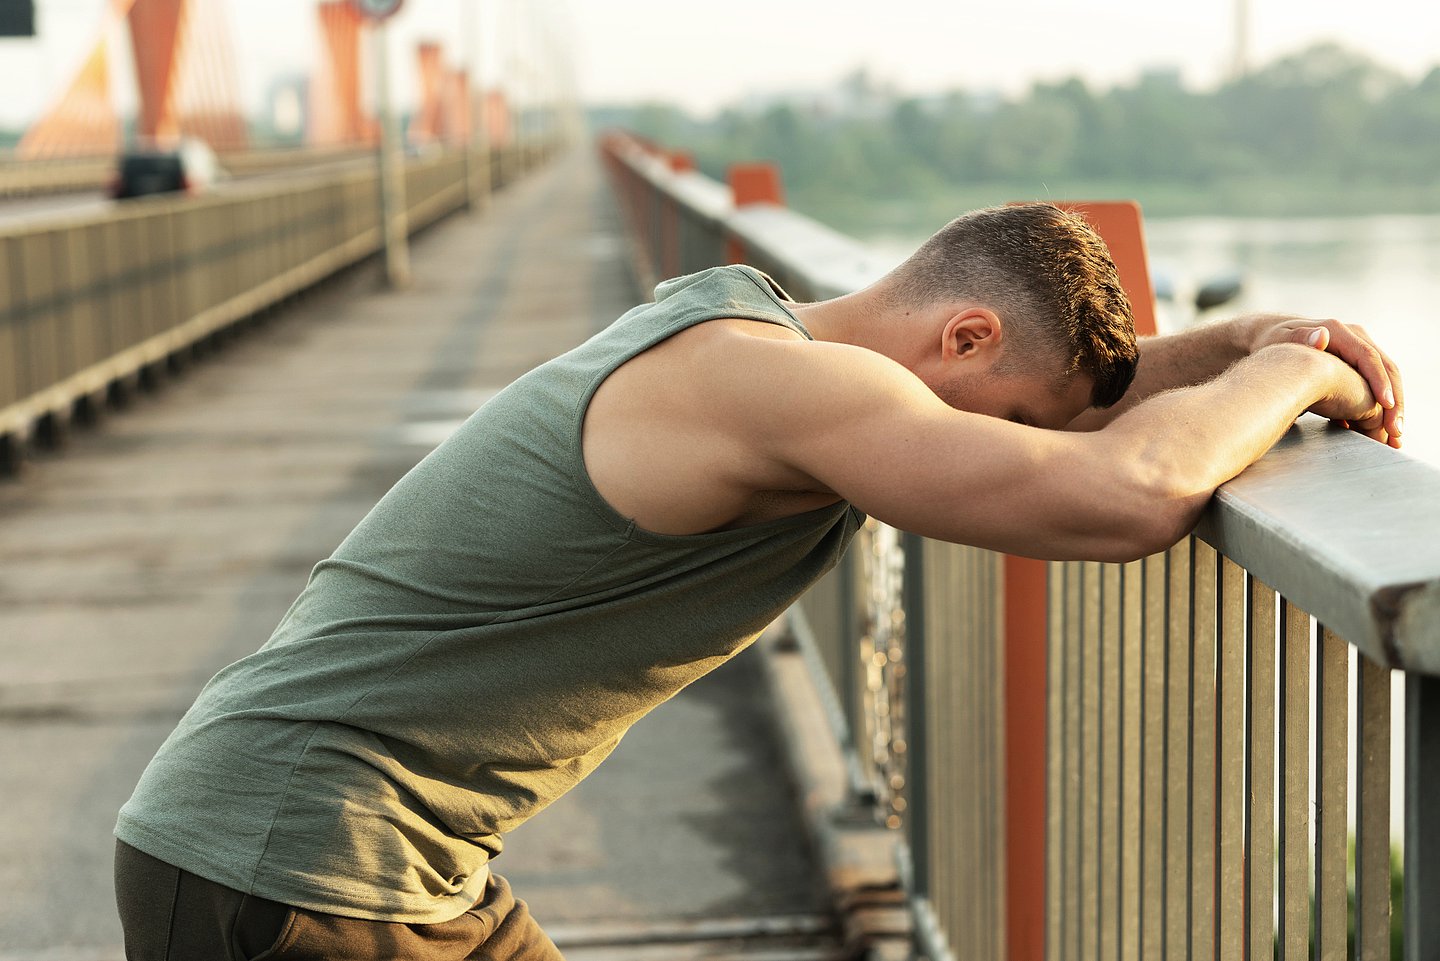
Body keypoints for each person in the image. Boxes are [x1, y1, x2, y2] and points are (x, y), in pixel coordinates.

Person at [112, 202, 1402, 960]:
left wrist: (1233, 345)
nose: (1003, 444)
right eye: (1006, 411)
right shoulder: (781, 384)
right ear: (963, 335)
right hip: (301, 861)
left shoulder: (762, 342)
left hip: (347, 850)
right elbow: (1118, 495)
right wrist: (1302, 378)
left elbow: (1078, 433)